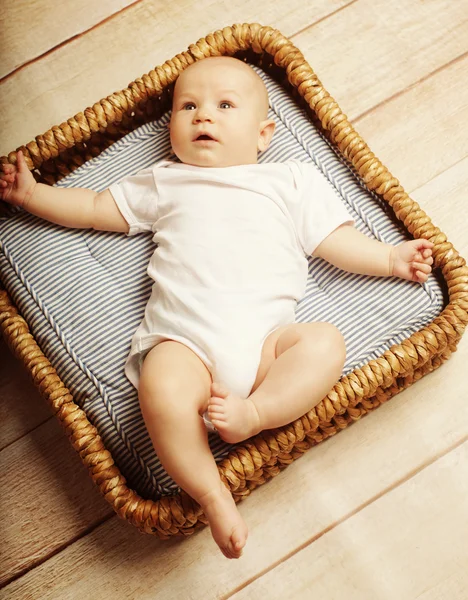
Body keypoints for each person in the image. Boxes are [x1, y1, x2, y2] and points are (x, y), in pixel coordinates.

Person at [0, 56, 434, 560]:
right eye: (189, 106)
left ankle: (257, 412)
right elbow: (97, 209)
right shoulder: (166, 180)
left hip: (268, 344)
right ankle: (210, 492)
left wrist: (389, 257)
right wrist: (34, 196)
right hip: (185, 342)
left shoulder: (291, 181)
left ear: (264, 134)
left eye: (225, 105)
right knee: (161, 388)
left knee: (325, 344)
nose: (203, 116)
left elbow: (335, 240)